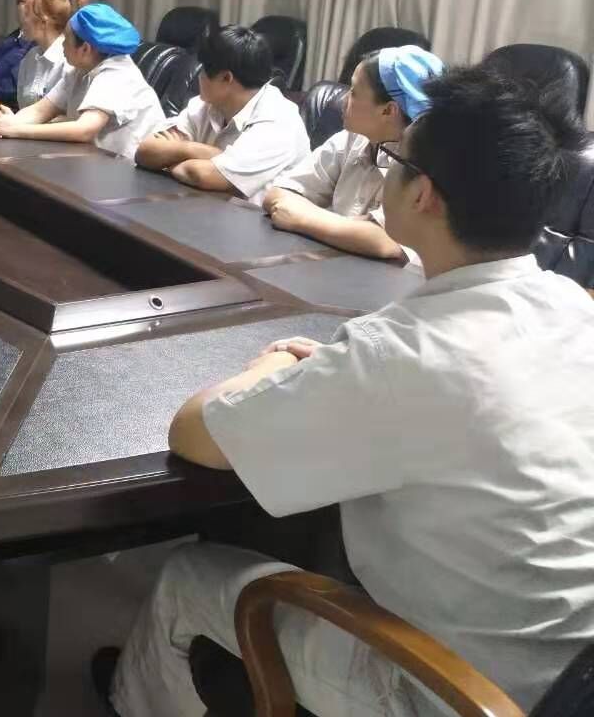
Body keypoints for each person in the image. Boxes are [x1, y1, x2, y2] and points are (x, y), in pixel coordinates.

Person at [97, 65, 594, 715]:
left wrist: (275, 367)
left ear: (424, 195)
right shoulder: (571, 305)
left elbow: (195, 433)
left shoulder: (401, 354)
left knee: (187, 578)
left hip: (455, 693)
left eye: (394, 161)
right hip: (566, 674)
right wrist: (344, 376)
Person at [263, 46, 444, 261]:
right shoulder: (352, 138)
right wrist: (352, 230)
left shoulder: (423, 163)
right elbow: (278, 193)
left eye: (354, 92)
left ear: (388, 110)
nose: (343, 99)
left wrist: (301, 219)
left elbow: (386, 243)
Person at [134, 26, 308, 203]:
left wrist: (170, 160)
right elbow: (145, 151)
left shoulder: (278, 121)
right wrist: (194, 149)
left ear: (226, 78)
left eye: (203, 70)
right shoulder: (206, 105)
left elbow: (203, 176)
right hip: (202, 206)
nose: (199, 76)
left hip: (252, 218)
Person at [0, 3, 164, 159]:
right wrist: (9, 122)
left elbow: (84, 130)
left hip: (130, 172)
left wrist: (16, 130)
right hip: (96, 162)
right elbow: (41, 110)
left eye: (66, 39)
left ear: (85, 48)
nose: (62, 44)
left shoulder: (117, 74)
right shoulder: (80, 68)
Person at [14, 0, 77, 108]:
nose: (22, 19)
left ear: (43, 21)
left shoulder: (69, 62)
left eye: (27, 14)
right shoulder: (30, 57)